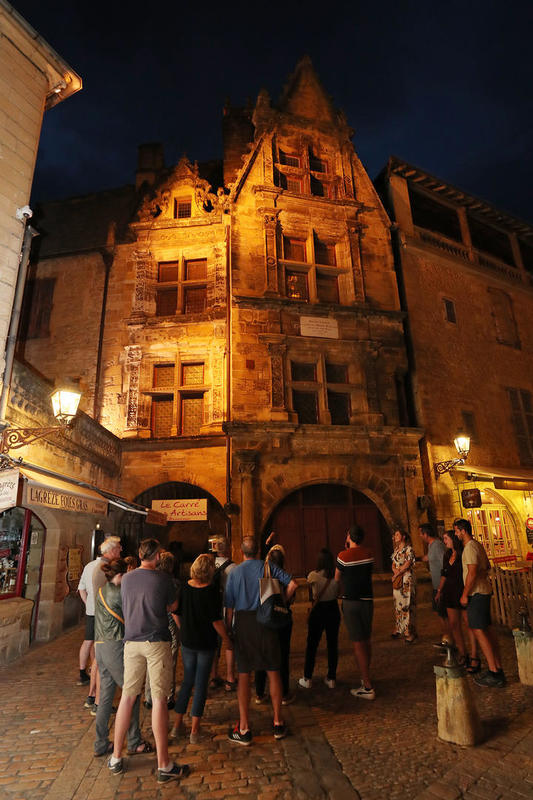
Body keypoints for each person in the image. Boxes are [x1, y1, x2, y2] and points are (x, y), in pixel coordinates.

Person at [109, 538, 190, 784]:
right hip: (156, 642)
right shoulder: (163, 579)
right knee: (159, 700)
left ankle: (115, 757)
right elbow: (172, 606)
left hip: (131, 642)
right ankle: (164, 764)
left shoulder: (127, 578)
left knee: (127, 697)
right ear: (156, 557)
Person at [224, 536, 298, 745]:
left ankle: (244, 728)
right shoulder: (268, 567)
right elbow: (293, 583)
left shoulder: (234, 572)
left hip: (244, 624)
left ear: (241, 552)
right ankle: (278, 722)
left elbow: (229, 608)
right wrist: (282, 601)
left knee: (244, 675)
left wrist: (229, 631)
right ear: (258, 551)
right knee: (273, 671)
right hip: (266, 621)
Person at [171, 554, 232, 744]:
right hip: (205, 643)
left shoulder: (184, 587)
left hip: (188, 642)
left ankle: (177, 725)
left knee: (187, 682)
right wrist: (227, 639)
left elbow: (174, 611)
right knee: (200, 684)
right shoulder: (211, 591)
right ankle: (195, 731)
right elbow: (216, 621)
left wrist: (183, 628)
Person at [93, 558, 151, 757]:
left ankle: (101, 743)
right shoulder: (119, 593)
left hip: (100, 645)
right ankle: (134, 741)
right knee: (131, 692)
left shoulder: (101, 590)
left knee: (105, 697)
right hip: (114, 646)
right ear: (121, 575)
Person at [453, 518, 505, 688]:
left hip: (476, 594)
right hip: (483, 591)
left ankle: (494, 671)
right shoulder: (477, 545)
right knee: (487, 630)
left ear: (463, 531)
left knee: (479, 630)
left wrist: (464, 594)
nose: (456, 534)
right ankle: (497, 667)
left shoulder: (469, 548)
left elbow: (472, 572)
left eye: (456, 531)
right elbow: (487, 566)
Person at [335, 525, 376, 699]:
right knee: (366, 640)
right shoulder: (369, 553)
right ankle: (366, 675)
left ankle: (367, 685)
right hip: (367, 600)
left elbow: (337, 579)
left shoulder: (343, 556)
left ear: (349, 537)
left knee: (358, 643)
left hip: (351, 601)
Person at [435, 530, 480, 672]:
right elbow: (444, 573)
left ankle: (474, 655)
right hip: (449, 592)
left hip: (462, 590)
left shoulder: (463, 553)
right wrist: (439, 590)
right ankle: (462, 653)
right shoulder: (447, 554)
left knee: (469, 624)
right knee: (454, 624)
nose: (444, 541)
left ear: (453, 539)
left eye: (446, 538)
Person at [255, 545, 294, 705]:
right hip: (283, 620)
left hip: (264, 620)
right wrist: (283, 600)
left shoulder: (261, 574)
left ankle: (259, 692)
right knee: (283, 656)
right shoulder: (284, 576)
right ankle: (284, 693)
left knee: (262, 655)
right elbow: (293, 589)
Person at [299, 548, 340, 690]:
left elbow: (309, 586)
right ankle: (331, 678)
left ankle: (307, 677)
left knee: (312, 644)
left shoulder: (313, 576)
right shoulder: (336, 577)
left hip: (319, 610)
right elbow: (339, 591)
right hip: (333, 609)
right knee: (332, 644)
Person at [144, 550, 180, 709]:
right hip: (169, 623)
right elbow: (174, 608)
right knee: (170, 660)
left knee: (151, 659)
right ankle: (169, 696)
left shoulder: (150, 580)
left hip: (151, 622)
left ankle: (148, 697)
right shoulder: (173, 583)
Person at [209, 537, 237, 691]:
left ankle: (214, 676)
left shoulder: (209, 565)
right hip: (227, 608)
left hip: (212, 608)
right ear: (228, 549)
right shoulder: (234, 567)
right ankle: (230, 678)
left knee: (214, 642)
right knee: (229, 641)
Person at [419, 524, 451, 645]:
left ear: (426, 534)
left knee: (443, 614)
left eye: (421, 533)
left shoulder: (437, 545)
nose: (420, 536)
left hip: (441, 585)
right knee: (439, 613)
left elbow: (444, 563)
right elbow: (429, 557)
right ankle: (446, 638)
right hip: (436, 585)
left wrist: (440, 588)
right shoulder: (430, 545)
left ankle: (449, 639)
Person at [77, 550, 102, 700]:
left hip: (91, 610)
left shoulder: (88, 566)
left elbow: (81, 588)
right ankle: (95, 670)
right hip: (102, 611)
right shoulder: (105, 567)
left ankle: (83, 672)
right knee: (97, 642)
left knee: (88, 641)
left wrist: (87, 603)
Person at [391, 529, 417, 643]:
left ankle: (409, 630)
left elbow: (407, 564)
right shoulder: (396, 550)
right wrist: (395, 571)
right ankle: (399, 627)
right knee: (398, 603)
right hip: (398, 579)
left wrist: (397, 573)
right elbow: (393, 563)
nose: (395, 536)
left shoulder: (409, 549)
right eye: (395, 535)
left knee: (407, 603)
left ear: (404, 537)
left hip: (406, 579)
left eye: (397, 534)